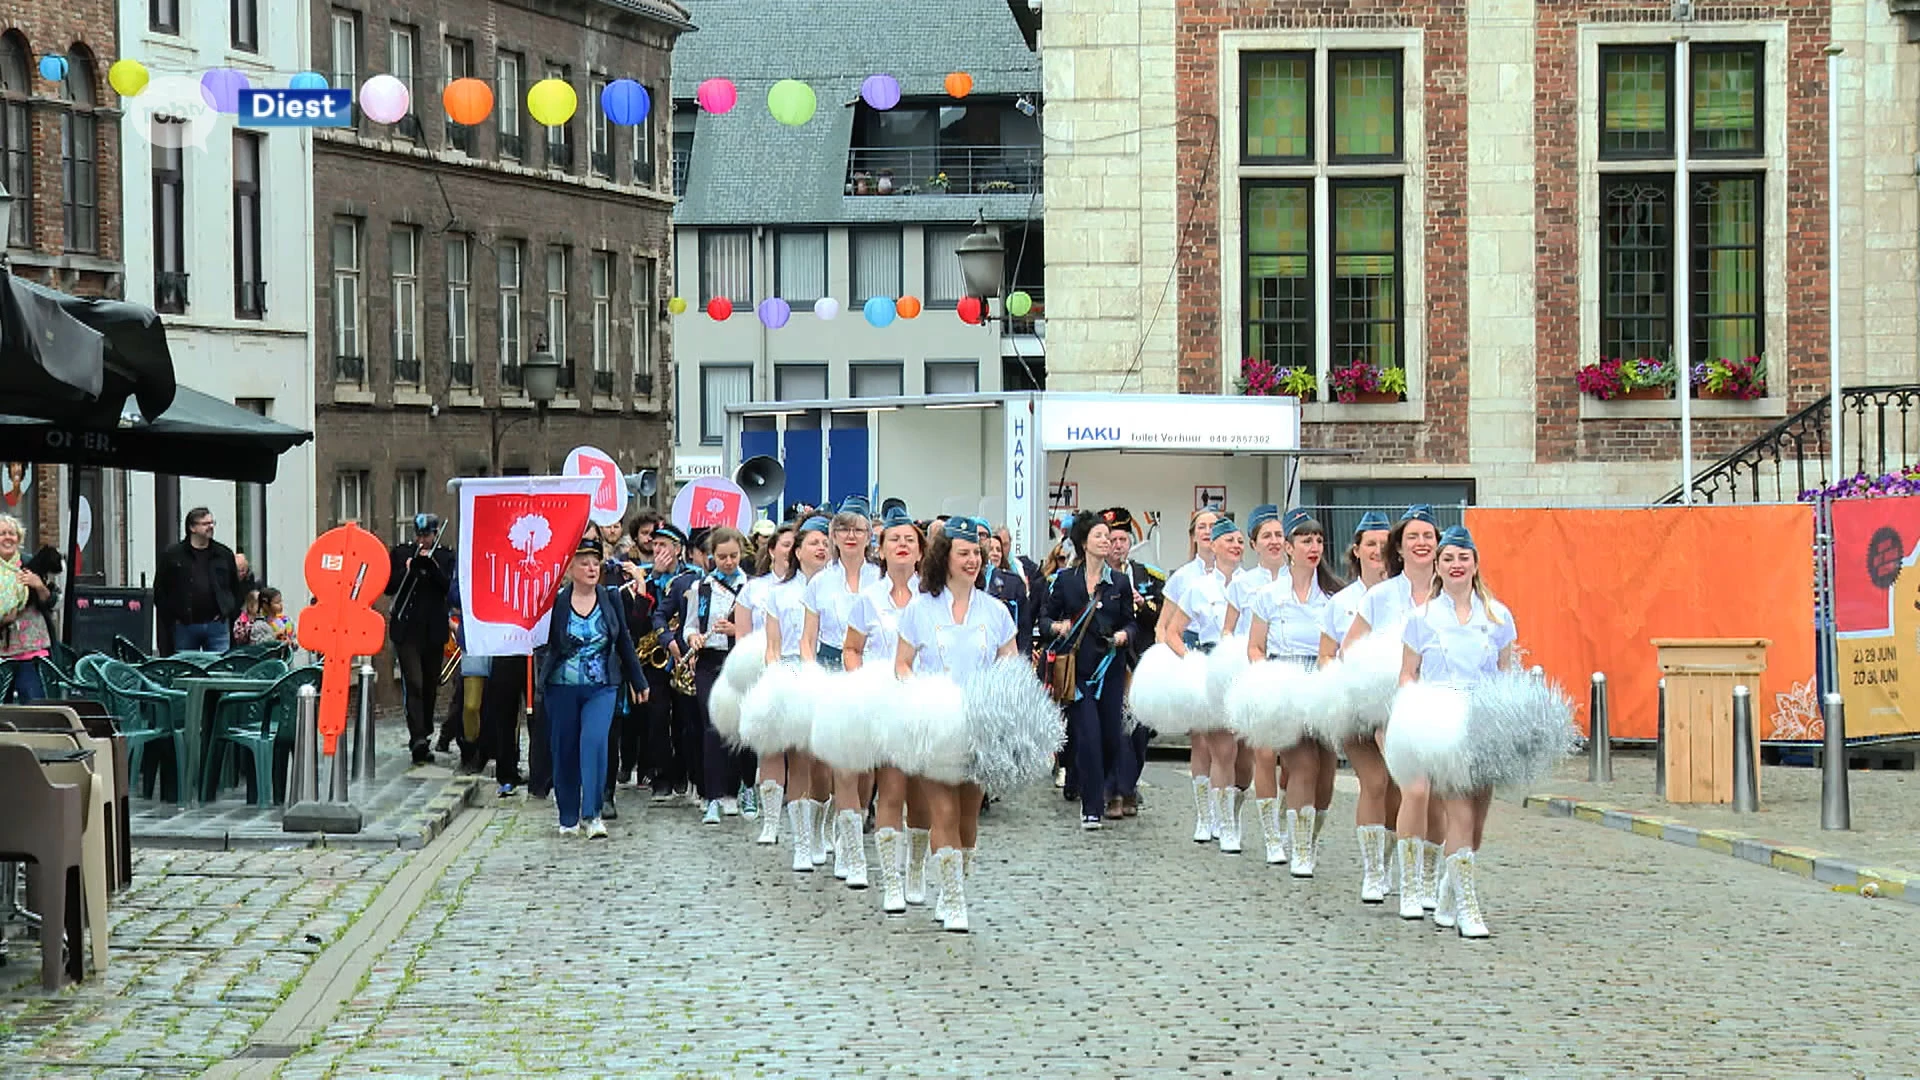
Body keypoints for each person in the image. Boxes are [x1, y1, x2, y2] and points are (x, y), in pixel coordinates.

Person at [893, 517, 1021, 933]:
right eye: (963, 552)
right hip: (936, 725)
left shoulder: (996, 610)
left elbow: (1010, 663)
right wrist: (925, 697)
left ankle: (955, 886)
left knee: (968, 819)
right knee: (942, 811)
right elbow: (902, 665)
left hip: (980, 725)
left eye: (977, 553)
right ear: (944, 557)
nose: (972, 560)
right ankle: (953, 900)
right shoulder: (919, 608)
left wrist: (1004, 701)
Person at [1395, 525, 1515, 938]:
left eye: (1464, 558)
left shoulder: (1498, 617)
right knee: (1458, 812)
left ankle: (1448, 890)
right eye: (1448, 558)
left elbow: (1505, 674)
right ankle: (1469, 908)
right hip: (1442, 721)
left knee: (1477, 820)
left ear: (1476, 564)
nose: (1456, 565)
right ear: (1438, 567)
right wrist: (1419, 716)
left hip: (1483, 720)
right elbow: (1407, 675)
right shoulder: (1422, 618)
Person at [1342, 505, 1445, 918]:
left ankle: (1428, 880)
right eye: (1413, 537)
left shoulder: (1450, 592)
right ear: (1398, 548)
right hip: (1392, 707)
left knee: (1434, 794)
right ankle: (1385, 876)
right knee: (1412, 786)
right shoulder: (1381, 596)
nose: (1422, 543)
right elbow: (1350, 647)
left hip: (1440, 705)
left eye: (1429, 537)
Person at [1243, 508, 1345, 873]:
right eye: (1305, 540)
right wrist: (1269, 678)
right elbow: (1254, 647)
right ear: (1289, 547)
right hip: (1285, 681)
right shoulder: (1269, 596)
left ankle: (1309, 836)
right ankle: (1296, 847)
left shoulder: (1336, 597)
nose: (1313, 546)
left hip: (1323, 681)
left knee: (1327, 771)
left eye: (1318, 540)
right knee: (1303, 762)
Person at [842, 506, 928, 912]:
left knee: (924, 798)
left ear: (921, 551)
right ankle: (891, 880)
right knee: (890, 789)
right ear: (881, 548)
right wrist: (864, 683)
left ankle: (915, 868)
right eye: (894, 539)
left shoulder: (933, 598)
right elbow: (850, 649)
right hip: (884, 703)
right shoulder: (867, 600)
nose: (902, 546)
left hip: (926, 704)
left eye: (910, 540)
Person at [540, 533, 650, 838]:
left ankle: (592, 813)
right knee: (564, 749)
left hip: (602, 685)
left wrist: (638, 680)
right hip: (562, 686)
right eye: (584, 563)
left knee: (595, 742)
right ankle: (568, 815)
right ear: (570, 569)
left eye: (595, 563)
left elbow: (624, 641)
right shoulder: (556, 602)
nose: (591, 568)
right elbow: (539, 641)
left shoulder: (611, 598)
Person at [1317, 511, 1398, 902]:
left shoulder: (1409, 594)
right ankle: (1372, 872)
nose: (1379, 551)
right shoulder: (1341, 602)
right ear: (1357, 550)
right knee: (1375, 781)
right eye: (1371, 544)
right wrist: (1353, 682)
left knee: (1401, 790)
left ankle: (1390, 862)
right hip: (1356, 706)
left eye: (1386, 544)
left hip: (1399, 707)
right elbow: (1327, 655)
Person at [800, 499, 881, 886]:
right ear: (833, 536)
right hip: (831, 665)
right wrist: (811, 671)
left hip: (869, 668)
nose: (851, 536)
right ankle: (832, 836)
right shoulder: (820, 582)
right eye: (843, 529)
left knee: (866, 766)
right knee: (831, 764)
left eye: (858, 530)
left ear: (869, 536)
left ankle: (851, 826)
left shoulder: (881, 579)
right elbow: (808, 637)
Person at [1043, 513, 1137, 829]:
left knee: (1112, 738)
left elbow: (1132, 623)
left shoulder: (1119, 583)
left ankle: (1110, 785)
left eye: (1108, 536)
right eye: (1099, 535)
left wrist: (1125, 635)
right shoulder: (1066, 581)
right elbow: (1043, 621)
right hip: (1079, 673)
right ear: (1085, 543)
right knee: (1088, 738)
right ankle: (1091, 805)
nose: (1106, 541)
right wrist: (1058, 626)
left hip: (1110, 671)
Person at [758, 517, 834, 871]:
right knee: (800, 757)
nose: (820, 548)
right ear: (797, 551)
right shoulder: (779, 594)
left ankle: (822, 827)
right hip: (793, 671)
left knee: (829, 761)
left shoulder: (839, 590)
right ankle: (802, 841)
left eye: (825, 542)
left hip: (832, 670)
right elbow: (773, 647)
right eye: (813, 542)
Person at [1098, 507, 1165, 815]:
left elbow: (1162, 617)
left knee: (1139, 730)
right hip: (1108, 659)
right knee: (1112, 726)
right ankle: (1114, 790)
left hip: (1142, 661)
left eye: (1123, 539)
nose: (1118, 545)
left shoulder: (1148, 576)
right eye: (1112, 539)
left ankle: (1130, 785)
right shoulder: (1093, 577)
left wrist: (1142, 604)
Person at [685, 527, 751, 824]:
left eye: (733, 556)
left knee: (741, 726)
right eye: (722, 557)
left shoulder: (751, 587)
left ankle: (739, 789)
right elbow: (690, 625)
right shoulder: (703, 587)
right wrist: (693, 638)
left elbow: (763, 630)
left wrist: (738, 631)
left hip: (740, 660)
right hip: (709, 661)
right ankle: (711, 796)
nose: (727, 562)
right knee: (712, 727)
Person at [385, 513, 458, 764]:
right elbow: (388, 587)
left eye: (426, 535)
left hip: (433, 631)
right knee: (413, 682)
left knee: (428, 684)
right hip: (407, 630)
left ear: (435, 534)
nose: (422, 540)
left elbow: (450, 589)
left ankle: (424, 732)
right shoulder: (401, 553)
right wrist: (407, 568)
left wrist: (432, 567)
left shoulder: (446, 556)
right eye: (419, 535)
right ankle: (417, 737)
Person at [649, 524, 701, 802]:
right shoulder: (646, 575)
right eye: (654, 546)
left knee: (685, 720)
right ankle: (662, 776)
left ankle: (684, 773)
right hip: (654, 656)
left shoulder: (691, 578)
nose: (657, 552)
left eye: (663, 546)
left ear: (678, 550)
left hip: (684, 656)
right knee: (657, 718)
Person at [154, 507, 243, 655]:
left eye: (212, 522)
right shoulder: (173, 556)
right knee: (186, 669)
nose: (210, 527)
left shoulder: (223, 554)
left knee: (219, 670)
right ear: (192, 527)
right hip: (184, 625)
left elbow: (235, 586)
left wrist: (228, 610)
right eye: (205, 523)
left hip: (217, 625)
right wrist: (174, 615)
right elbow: (161, 589)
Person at [0, 513, 54, 702]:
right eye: (2, 533)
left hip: (29, 651)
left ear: (19, 538)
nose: (7, 537)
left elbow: (52, 601)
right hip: (1, 655)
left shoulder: (30, 563)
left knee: (33, 706)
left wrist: (38, 584)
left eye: (12, 533)